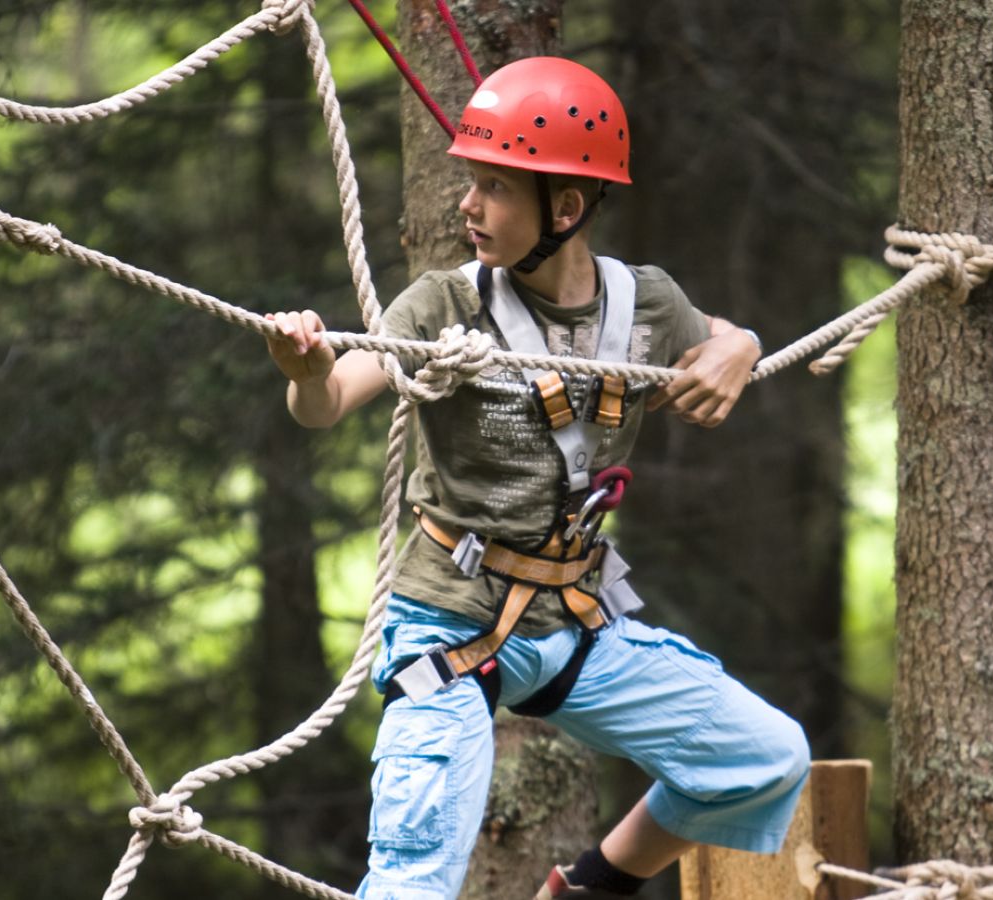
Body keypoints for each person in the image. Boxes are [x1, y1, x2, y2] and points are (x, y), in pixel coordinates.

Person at [266, 56, 809, 900]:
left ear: (566, 207)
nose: (468, 206)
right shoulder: (444, 308)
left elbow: (719, 335)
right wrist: (304, 369)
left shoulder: (644, 306)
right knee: (413, 879)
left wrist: (739, 345)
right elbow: (332, 399)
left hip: (573, 622)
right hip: (448, 623)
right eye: (471, 182)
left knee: (766, 757)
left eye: (495, 188)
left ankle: (588, 890)